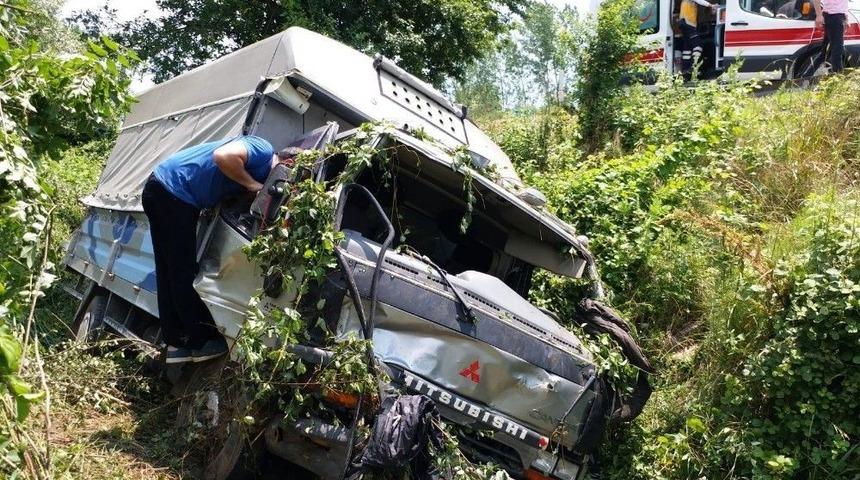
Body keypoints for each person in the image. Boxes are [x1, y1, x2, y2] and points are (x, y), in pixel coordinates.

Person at [142, 135, 281, 363]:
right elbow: (222, 156)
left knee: (169, 271)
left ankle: (176, 342)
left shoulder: (256, 167)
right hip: (173, 193)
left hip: (163, 190)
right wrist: (253, 185)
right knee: (183, 272)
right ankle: (202, 341)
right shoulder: (264, 149)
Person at [678, 0, 718, 80]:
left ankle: (686, 70)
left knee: (687, 48)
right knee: (698, 45)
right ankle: (694, 67)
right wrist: (710, 5)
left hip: (685, 24)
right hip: (688, 23)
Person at [812, 0, 848, 74]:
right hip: (833, 16)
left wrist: (846, 18)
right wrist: (818, 15)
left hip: (838, 16)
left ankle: (805, 77)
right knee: (837, 50)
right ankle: (838, 79)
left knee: (825, 53)